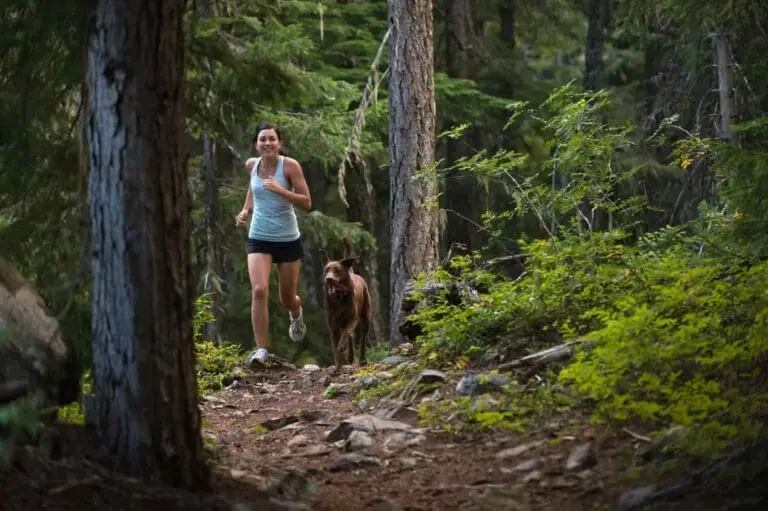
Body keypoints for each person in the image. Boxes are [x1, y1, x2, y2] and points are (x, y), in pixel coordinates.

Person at [235, 122, 312, 364]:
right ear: (255, 145)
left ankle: (296, 313)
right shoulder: (252, 165)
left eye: (271, 139)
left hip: (288, 239)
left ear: (280, 143)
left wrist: (281, 190)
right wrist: (246, 210)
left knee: (287, 298)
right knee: (259, 290)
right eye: (262, 139)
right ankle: (261, 350)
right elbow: (253, 187)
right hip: (259, 236)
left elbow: (306, 203)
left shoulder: (290, 167)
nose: (267, 143)